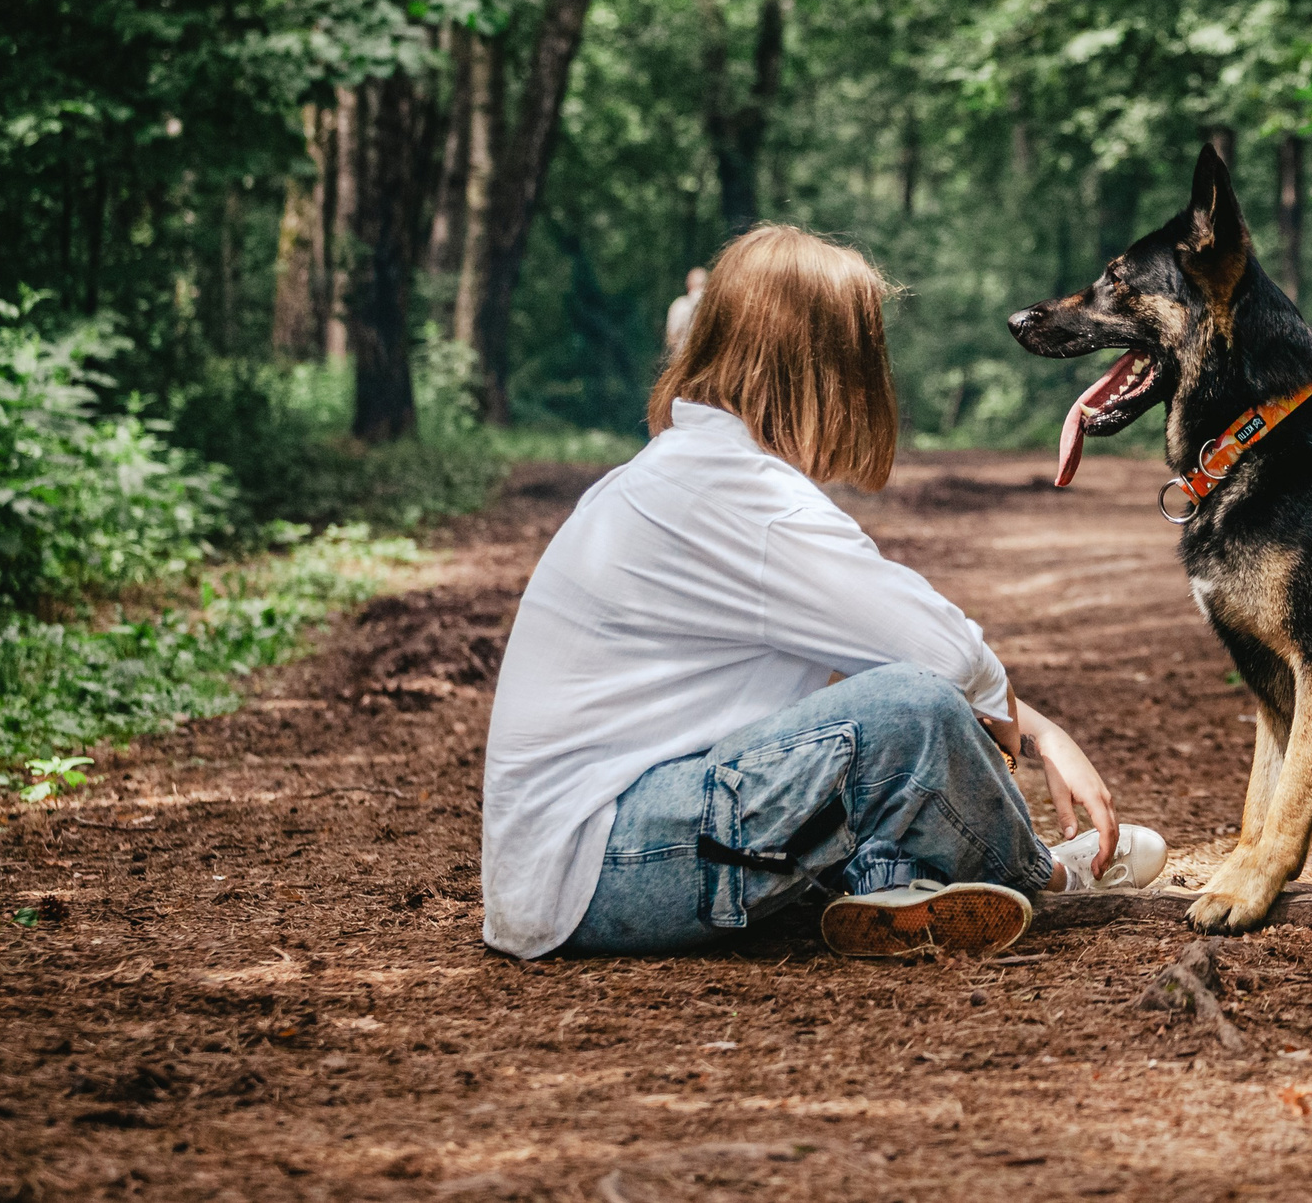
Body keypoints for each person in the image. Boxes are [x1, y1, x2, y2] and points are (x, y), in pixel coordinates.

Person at [483, 224, 1164, 960]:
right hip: (602, 867)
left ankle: (895, 887)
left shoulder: (686, 471)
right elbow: (938, 658)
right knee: (915, 707)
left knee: (881, 706)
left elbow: (863, 664)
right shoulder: (745, 497)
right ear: (826, 366)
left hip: (577, 861)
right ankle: (1039, 874)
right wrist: (1037, 728)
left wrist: (1020, 716)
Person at [663, 265, 707, 358]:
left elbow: (672, 336)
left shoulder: (679, 305)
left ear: (688, 284)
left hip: (683, 360)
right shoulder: (714, 305)